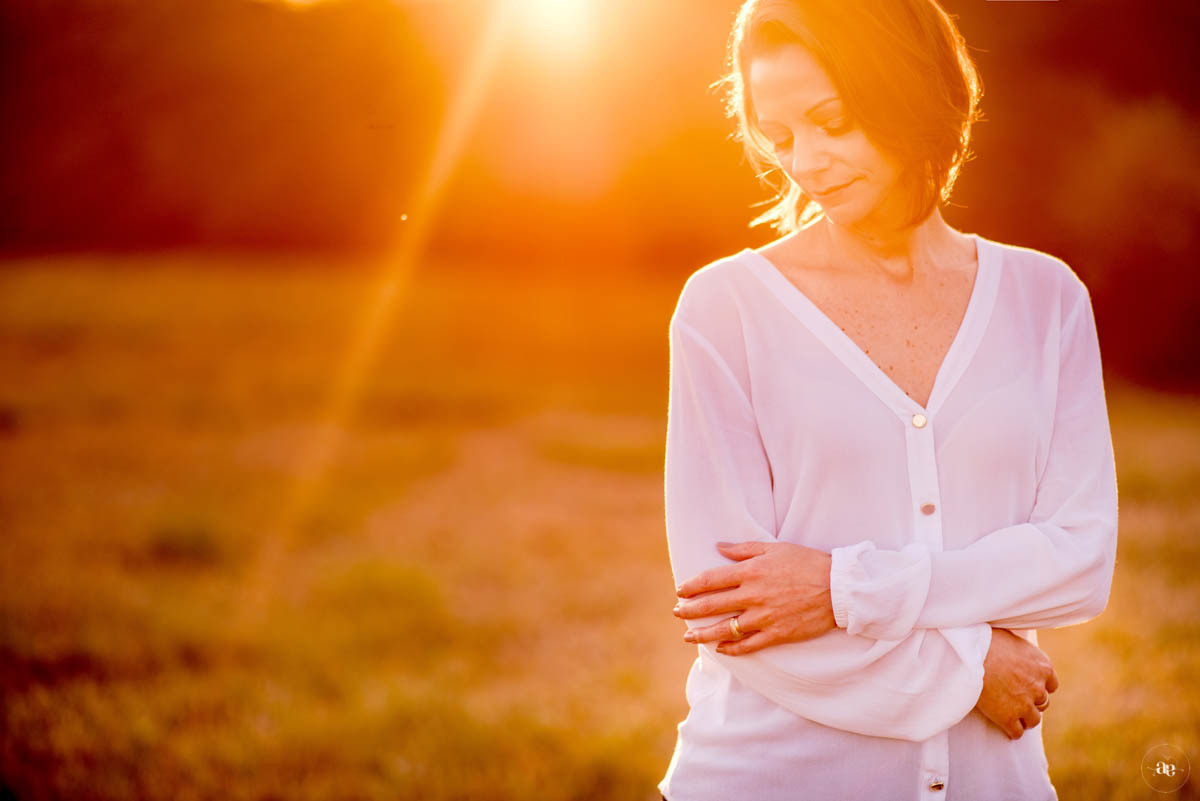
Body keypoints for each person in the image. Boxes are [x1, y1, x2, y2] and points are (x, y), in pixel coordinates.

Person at [659, 1, 1119, 799]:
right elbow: (729, 608)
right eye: (781, 137)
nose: (806, 161)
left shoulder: (1048, 300)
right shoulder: (723, 308)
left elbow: (1079, 561)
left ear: (910, 93)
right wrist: (971, 669)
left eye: (831, 120)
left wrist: (840, 589)